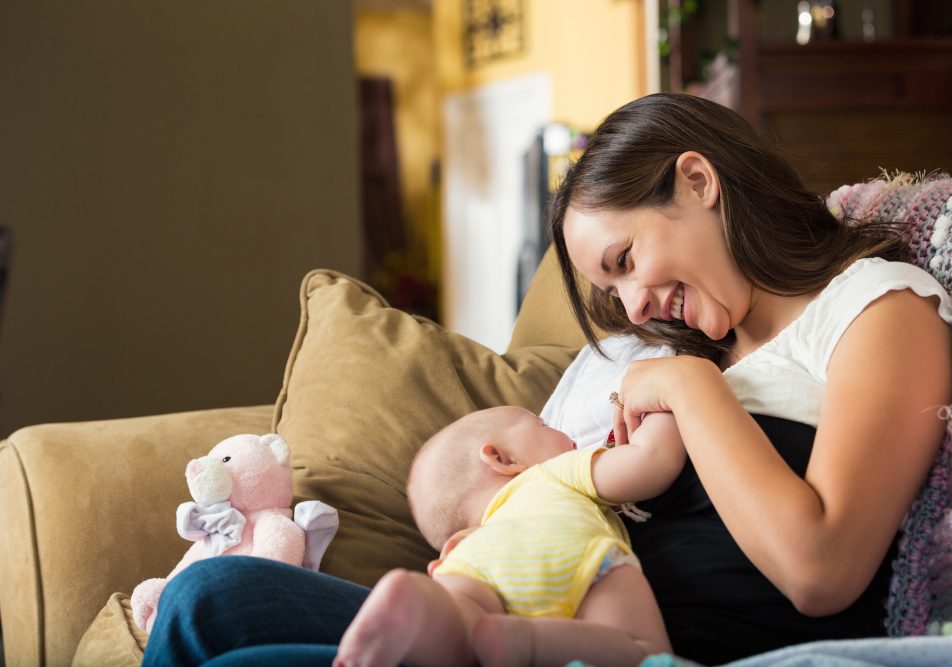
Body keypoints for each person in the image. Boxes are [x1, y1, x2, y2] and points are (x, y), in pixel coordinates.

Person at [141, 93, 952, 666]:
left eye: (625, 260)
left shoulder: (878, 308)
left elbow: (821, 569)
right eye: (613, 290)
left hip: (615, 647)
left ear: (700, 181)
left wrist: (688, 387)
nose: (634, 306)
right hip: (525, 616)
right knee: (210, 596)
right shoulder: (708, 353)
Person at [333, 405, 682, 667]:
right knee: (641, 651)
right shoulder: (551, 473)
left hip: (468, 565)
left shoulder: (470, 539)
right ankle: (526, 643)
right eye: (543, 425)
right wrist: (660, 409)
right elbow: (650, 460)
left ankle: (421, 604)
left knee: (461, 629)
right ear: (503, 459)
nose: (562, 431)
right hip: (563, 549)